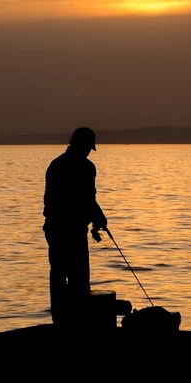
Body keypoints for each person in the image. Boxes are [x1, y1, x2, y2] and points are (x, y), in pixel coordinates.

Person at [42, 127, 109, 326]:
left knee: (59, 276)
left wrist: (96, 221)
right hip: (70, 231)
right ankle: (75, 325)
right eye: (88, 147)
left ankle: (61, 322)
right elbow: (87, 199)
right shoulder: (86, 167)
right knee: (77, 279)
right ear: (83, 145)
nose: (89, 151)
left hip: (56, 229)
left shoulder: (56, 165)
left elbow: (84, 199)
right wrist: (99, 220)